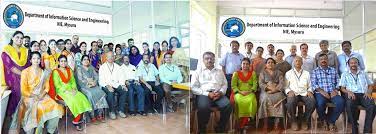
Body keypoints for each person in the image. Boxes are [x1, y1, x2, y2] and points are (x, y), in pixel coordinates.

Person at [16, 52, 64, 134]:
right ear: (30, 60)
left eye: (38, 58)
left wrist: (41, 95)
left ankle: (50, 131)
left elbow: (47, 87)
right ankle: (39, 132)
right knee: (40, 108)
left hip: (42, 95)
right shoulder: (25, 72)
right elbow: (23, 91)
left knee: (56, 107)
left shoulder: (43, 72)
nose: (36, 60)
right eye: (34, 58)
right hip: (29, 97)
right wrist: (35, 96)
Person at [191, 51, 232, 133]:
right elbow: (193, 87)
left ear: (214, 60)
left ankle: (220, 128)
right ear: (203, 60)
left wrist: (220, 92)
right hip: (204, 94)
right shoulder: (197, 72)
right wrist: (208, 94)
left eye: (211, 59)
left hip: (218, 94)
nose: (209, 60)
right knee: (203, 107)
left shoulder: (220, 71)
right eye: (207, 58)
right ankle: (202, 129)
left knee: (228, 106)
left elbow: (225, 84)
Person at [49, 55, 92, 131]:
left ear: (67, 62)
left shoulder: (69, 70)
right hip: (62, 92)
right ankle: (77, 120)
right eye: (61, 61)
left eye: (65, 61)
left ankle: (77, 119)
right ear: (58, 62)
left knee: (82, 97)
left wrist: (74, 89)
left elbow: (73, 82)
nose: (63, 63)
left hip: (72, 90)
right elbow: (57, 85)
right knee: (74, 100)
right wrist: (67, 91)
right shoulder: (55, 72)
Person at [339, 57, 375, 134]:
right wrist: (348, 92)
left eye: (355, 63)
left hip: (363, 94)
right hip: (352, 94)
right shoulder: (344, 74)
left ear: (358, 64)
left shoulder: (363, 73)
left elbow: (371, 85)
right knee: (349, 104)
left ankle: (367, 130)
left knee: (372, 105)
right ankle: (354, 127)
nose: (353, 64)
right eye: (351, 63)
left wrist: (368, 92)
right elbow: (342, 88)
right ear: (348, 65)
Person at [0, 31, 31, 119]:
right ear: (12, 38)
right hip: (11, 77)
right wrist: (23, 75)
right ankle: (16, 116)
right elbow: (9, 66)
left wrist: (28, 75)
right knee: (19, 90)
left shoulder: (25, 50)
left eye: (21, 38)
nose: (19, 39)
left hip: (24, 76)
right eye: (17, 37)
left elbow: (28, 64)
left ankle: (24, 115)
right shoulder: (6, 50)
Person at [311, 53, 344, 132]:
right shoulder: (315, 71)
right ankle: (324, 120)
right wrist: (321, 91)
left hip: (333, 92)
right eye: (321, 59)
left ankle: (331, 121)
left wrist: (335, 90)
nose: (323, 61)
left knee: (341, 102)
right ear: (318, 61)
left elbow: (339, 82)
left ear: (328, 60)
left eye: (325, 59)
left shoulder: (333, 70)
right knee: (319, 104)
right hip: (320, 93)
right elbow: (313, 84)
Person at [285, 56, 316, 131]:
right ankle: (293, 120)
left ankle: (305, 120)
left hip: (304, 93)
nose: (298, 62)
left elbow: (310, 85)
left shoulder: (307, 73)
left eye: (299, 61)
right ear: (293, 63)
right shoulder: (288, 73)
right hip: (293, 93)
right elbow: (285, 86)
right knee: (290, 102)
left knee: (312, 102)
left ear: (302, 63)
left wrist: (310, 91)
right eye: (296, 61)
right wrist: (289, 91)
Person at [75, 55, 109, 124]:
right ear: (81, 61)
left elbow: (96, 76)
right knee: (90, 95)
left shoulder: (91, 68)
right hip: (84, 87)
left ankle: (99, 114)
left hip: (93, 86)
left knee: (100, 92)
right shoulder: (79, 69)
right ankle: (92, 115)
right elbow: (80, 80)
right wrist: (89, 83)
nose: (86, 61)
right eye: (84, 59)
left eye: (87, 59)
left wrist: (94, 82)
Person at [258, 58, 286, 131]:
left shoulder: (279, 72)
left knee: (280, 98)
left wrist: (275, 90)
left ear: (275, 64)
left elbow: (282, 83)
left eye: (272, 62)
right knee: (264, 99)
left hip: (277, 90)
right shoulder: (262, 73)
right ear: (266, 64)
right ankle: (265, 123)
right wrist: (268, 89)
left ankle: (277, 124)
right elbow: (261, 83)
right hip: (266, 91)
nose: (270, 64)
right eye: (268, 62)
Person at [99, 51, 128, 119]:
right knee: (110, 92)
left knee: (124, 91)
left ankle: (120, 110)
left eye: (112, 56)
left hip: (116, 84)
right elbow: (101, 79)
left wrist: (123, 85)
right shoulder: (102, 67)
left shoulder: (118, 67)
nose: (111, 58)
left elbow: (121, 77)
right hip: (106, 85)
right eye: (109, 56)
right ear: (106, 58)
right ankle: (111, 111)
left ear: (114, 57)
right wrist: (107, 86)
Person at [231, 58, 257, 130]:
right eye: (244, 64)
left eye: (247, 64)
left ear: (249, 65)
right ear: (241, 65)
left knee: (251, 100)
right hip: (239, 92)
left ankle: (247, 120)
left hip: (250, 92)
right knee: (238, 100)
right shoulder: (236, 73)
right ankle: (239, 121)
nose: (245, 65)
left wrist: (249, 91)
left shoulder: (253, 73)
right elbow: (233, 85)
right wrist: (240, 92)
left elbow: (255, 85)